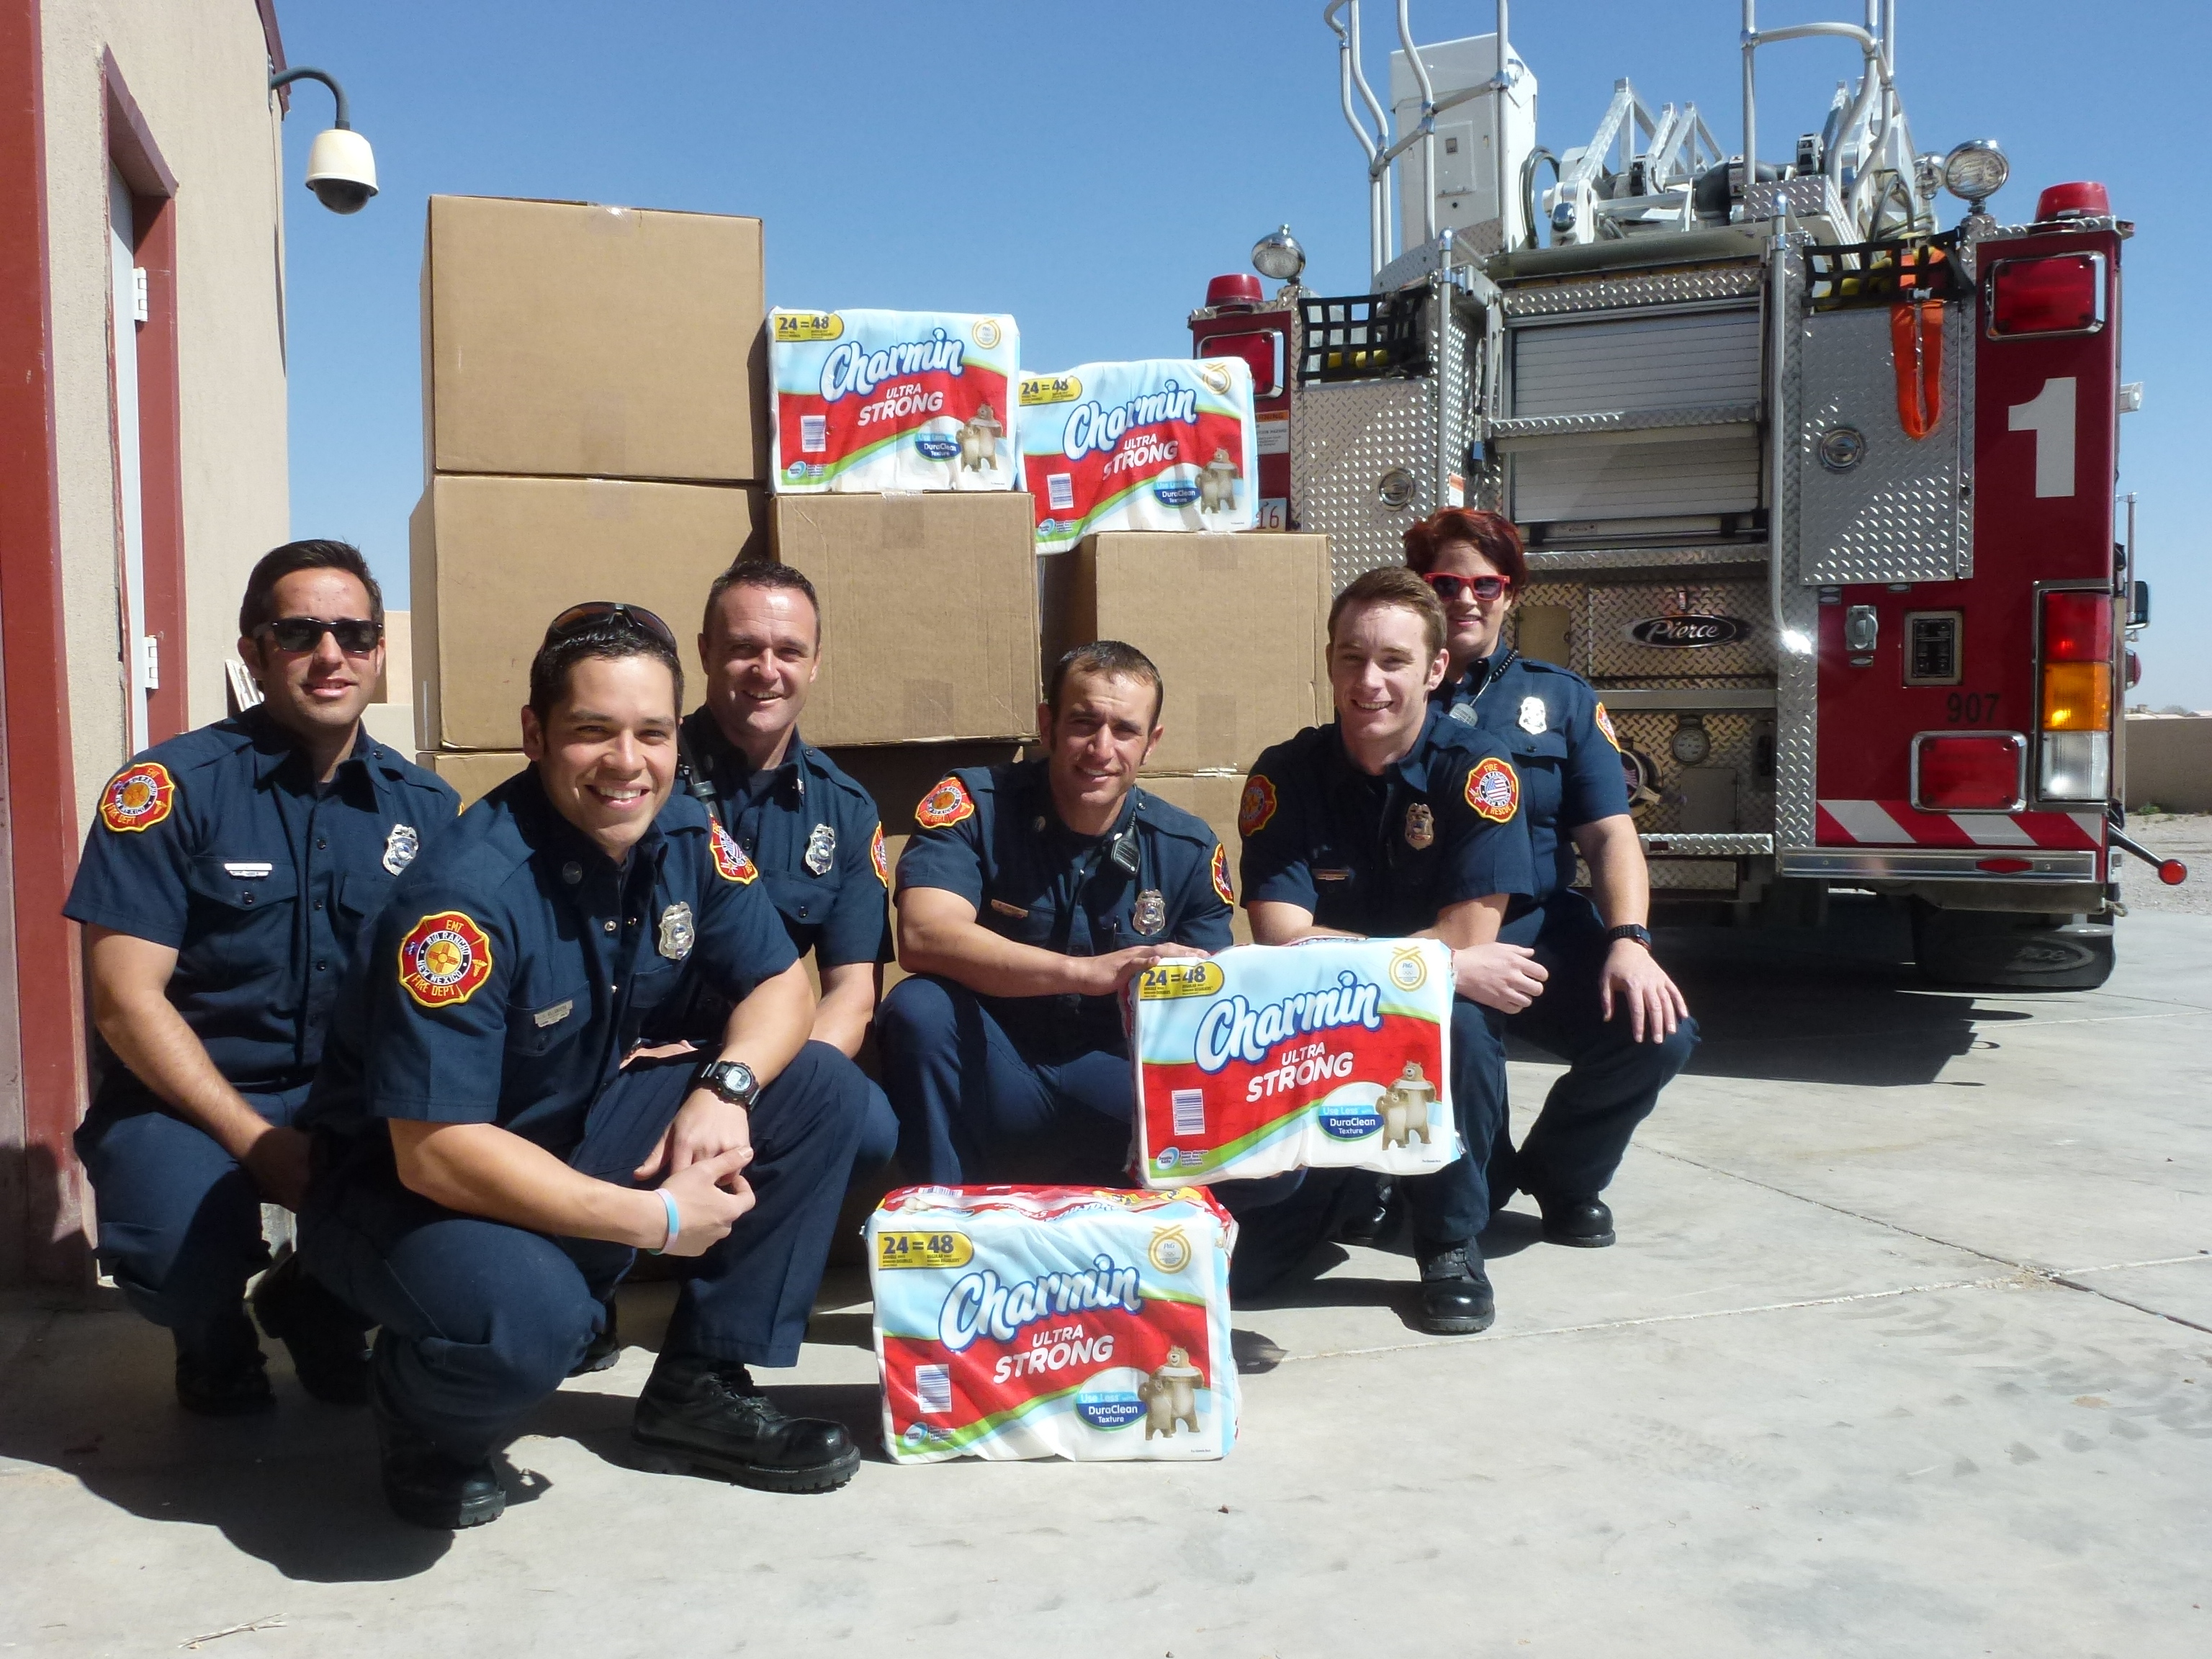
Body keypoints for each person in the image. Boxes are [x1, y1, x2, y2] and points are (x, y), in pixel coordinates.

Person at [298, 603, 868, 1529]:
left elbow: (780, 986)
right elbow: (434, 1153)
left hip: (567, 1133)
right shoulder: (466, 901)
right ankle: (418, 1414)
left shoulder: (681, 836)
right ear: (534, 734)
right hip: (407, 1191)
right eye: (592, 732)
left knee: (818, 1087)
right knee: (539, 1326)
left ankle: (697, 1388)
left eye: (651, 733)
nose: (627, 763)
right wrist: (655, 1218)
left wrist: (725, 1088)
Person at [62, 541, 459, 1414]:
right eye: (300, 632)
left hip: (351, 1100)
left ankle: (315, 1301)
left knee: (467, 1192)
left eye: (355, 635)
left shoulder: (427, 811)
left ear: (379, 652)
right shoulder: (167, 791)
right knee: (175, 1257)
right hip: (190, 1098)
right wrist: (256, 1142)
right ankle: (212, 1336)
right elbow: (125, 1002)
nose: (332, 656)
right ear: (253, 651)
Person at [1230, 567, 1542, 1334]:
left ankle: (1448, 1241)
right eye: (1350, 657)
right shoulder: (1286, 774)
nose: (1368, 682)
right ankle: (1349, 1186)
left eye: (1393, 661)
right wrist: (1429, 959)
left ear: (1436, 669)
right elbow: (1276, 932)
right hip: (1310, 1022)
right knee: (1250, 1282)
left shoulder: (1478, 772)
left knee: (1458, 1026)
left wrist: (1371, 957)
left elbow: (1469, 943)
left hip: (1431, 1018)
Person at [1410, 506, 1699, 1247]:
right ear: (1421, 588)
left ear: (1512, 591)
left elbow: (1608, 835)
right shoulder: (1392, 691)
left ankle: (1564, 1177)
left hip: (1540, 927)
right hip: (1432, 931)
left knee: (1658, 1032)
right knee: (1463, 1037)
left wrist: (1629, 940)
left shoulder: (1562, 698)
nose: (1465, 599)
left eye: (1486, 583)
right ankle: (1471, 1197)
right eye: (1445, 582)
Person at [876, 641, 1234, 1185]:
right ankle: (947, 1228)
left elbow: (1212, 1009)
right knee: (918, 1008)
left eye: (1125, 731)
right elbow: (924, 935)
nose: (1101, 748)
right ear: (1047, 725)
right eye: (1084, 723)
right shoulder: (975, 805)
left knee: (1277, 1162)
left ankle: (1167, 1252)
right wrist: (1088, 974)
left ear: (1152, 743)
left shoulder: (1187, 849)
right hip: (997, 1067)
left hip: (1116, 1078)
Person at [655, 558, 898, 1175]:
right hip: (648, 1054)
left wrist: (753, 1082)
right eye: (744, 649)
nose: (768, 671)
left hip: (771, 1063)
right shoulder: (642, 776)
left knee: (869, 1127)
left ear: (815, 663)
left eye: (790, 651)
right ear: (706, 653)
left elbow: (851, 994)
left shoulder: (845, 810)